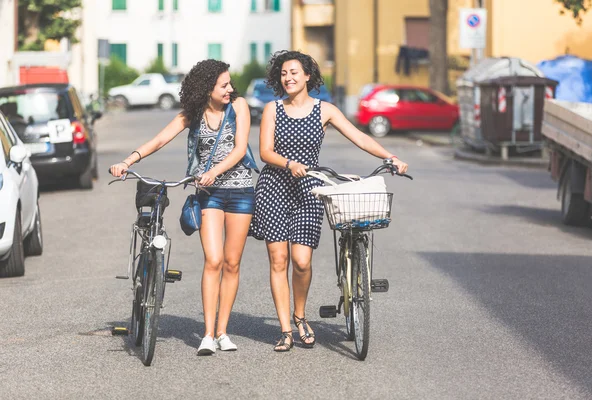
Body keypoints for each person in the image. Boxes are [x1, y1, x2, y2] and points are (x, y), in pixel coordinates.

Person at [250, 50, 409, 352]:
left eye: (295, 72)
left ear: (308, 76)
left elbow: (360, 137)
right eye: (284, 73)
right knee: (278, 260)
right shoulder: (273, 109)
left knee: (301, 261)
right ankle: (285, 329)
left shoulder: (325, 110)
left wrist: (391, 157)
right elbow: (265, 152)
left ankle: (300, 315)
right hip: (273, 187)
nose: (289, 78)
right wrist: (288, 164)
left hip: (309, 188)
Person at [110, 59, 255, 356]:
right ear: (206, 89)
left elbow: (241, 148)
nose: (229, 89)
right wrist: (128, 161)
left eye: (229, 84)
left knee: (232, 262)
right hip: (209, 194)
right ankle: (207, 334)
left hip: (241, 191)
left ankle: (223, 332)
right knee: (213, 260)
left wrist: (215, 170)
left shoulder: (238, 106)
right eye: (223, 85)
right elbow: (161, 139)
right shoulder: (193, 114)